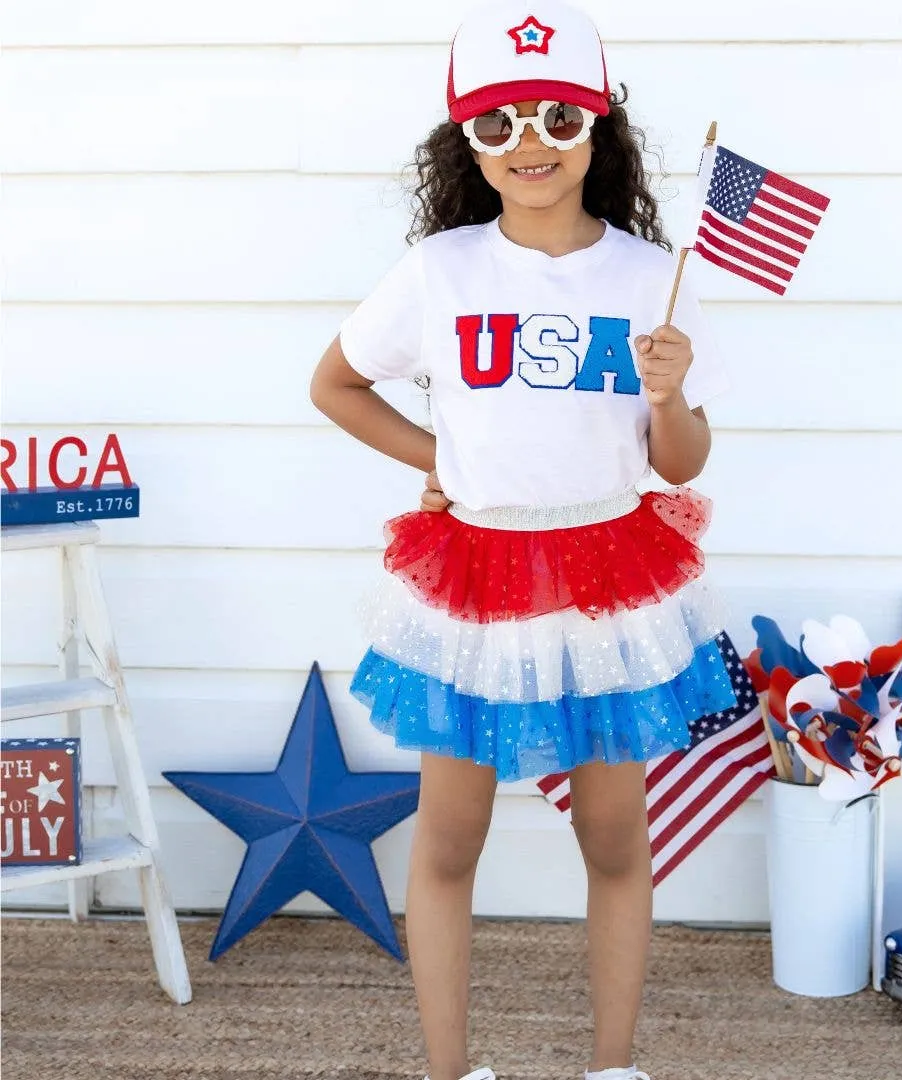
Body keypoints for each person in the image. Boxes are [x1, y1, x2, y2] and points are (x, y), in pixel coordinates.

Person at [310, 4, 736, 1079]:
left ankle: (613, 1065)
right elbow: (336, 385)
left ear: (599, 128)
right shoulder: (442, 269)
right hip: (476, 581)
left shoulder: (649, 276)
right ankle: (453, 1070)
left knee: (614, 840)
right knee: (449, 845)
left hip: (607, 576)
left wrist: (672, 394)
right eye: (497, 125)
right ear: (468, 144)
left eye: (553, 115)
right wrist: (439, 460)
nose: (529, 143)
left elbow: (677, 463)